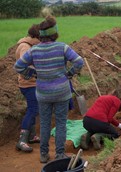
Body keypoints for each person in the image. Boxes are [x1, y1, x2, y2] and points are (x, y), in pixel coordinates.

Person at [14, 15, 84, 163]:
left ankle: (43, 155)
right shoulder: (62, 47)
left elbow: (18, 66)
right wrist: (69, 74)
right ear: (55, 33)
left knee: (45, 124)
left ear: (41, 35)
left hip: (43, 93)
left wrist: (33, 74)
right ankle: (59, 154)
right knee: (60, 124)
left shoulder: (34, 50)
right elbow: (79, 61)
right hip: (62, 93)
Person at [15, 24, 40, 153]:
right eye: (39, 39)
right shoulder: (25, 47)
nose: (40, 42)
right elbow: (24, 65)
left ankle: (31, 136)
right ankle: (22, 140)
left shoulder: (28, 45)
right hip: (28, 84)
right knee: (33, 109)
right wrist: (37, 72)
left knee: (33, 108)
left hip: (30, 83)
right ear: (34, 37)